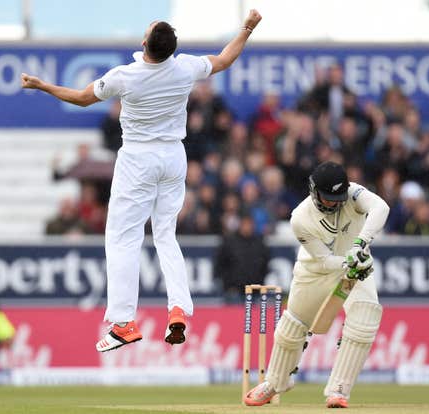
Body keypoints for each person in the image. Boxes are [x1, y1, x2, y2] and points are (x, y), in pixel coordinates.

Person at [21, 10, 263, 352]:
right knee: (165, 234)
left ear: (144, 44)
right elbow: (224, 59)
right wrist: (247, 29)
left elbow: (80, 97)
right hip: (173, 157)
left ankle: (123, 323)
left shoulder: (126, 76)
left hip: (138, 158)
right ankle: (178, 308)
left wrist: (42, 85)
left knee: (122, 237)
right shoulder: (184, 68)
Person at [244, 161, 390, 409]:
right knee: (293, 327)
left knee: (365, 318)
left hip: (358, 262)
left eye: (338, 197)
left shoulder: (353, 194)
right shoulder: (300, 218)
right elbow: (322, 261)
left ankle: (339, 390)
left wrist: (360, 245)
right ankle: (274, 382)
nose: (335, 202)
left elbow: (381, 207)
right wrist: (348, 260)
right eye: (329, 198)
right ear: (314, 192)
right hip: (315, 270)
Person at [213, 214, 270, 303]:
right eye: (244, 224)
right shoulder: (230, 242)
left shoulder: (259, 243)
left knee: (253, 316)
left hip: (254, 291)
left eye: (249, 224)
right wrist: (228, 286)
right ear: (240, 225)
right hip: (234, 291)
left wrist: (260, 283)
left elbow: (265, 264)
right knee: (233, 316)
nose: (247, 227)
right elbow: (220, 264)